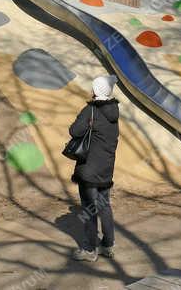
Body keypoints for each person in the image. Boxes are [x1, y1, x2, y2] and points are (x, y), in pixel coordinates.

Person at [70, 76, 120, 262]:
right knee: (104, 205)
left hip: (89, 168)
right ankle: (108, 244)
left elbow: (74, 131)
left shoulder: (90, 110)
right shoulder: (114, 113)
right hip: (106, 168)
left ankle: (90, 250)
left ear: (95, 90)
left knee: (89, 208)